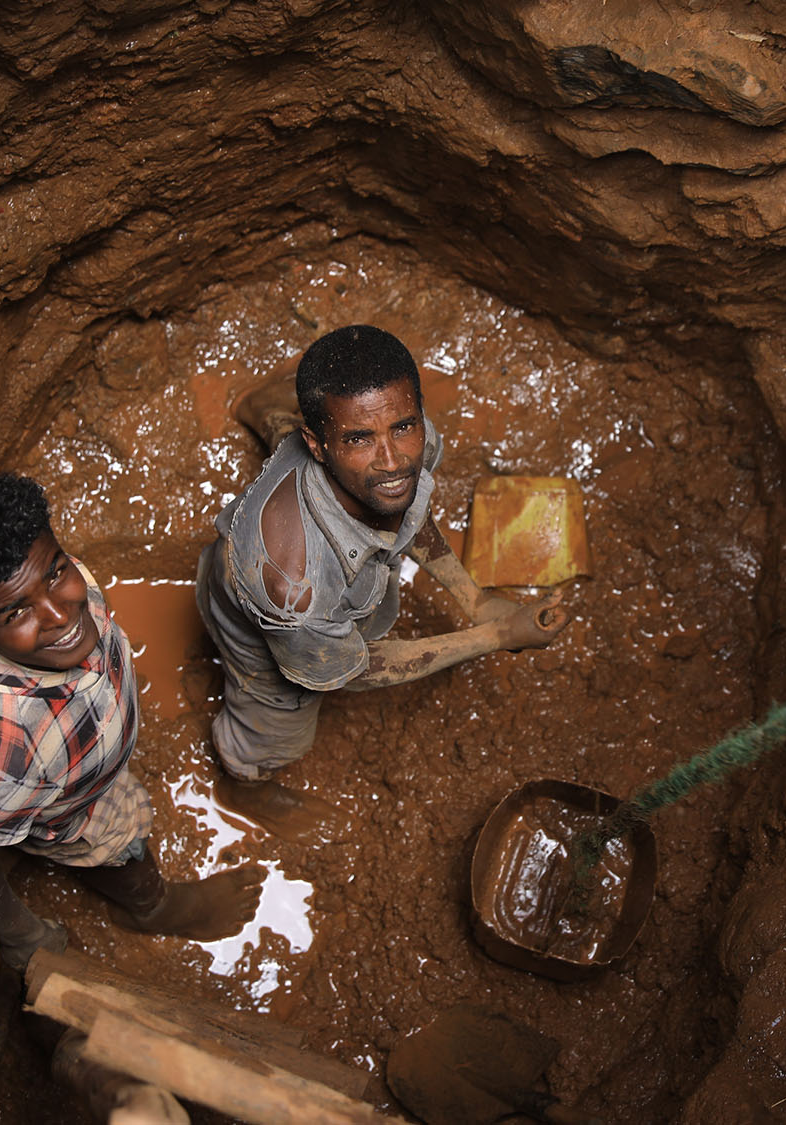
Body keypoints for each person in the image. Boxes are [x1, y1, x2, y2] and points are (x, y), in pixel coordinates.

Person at [198, 325, 568, 835]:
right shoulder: (293, 589)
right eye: (359, 439)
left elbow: (409, 509)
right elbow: (352, 671)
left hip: (314, 540)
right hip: (260, 623)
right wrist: (495, 636)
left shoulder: (406, 440)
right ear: (320, 445)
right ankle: (243, 784)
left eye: (403, 427)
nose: (393, 460)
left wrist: (475, 599)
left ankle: (266, 408)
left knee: (373, 477)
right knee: (277, 732)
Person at [0, 468, 264, 969]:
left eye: (55, 571)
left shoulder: (45, 592)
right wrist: (24, 934)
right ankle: (152, 907)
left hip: (70, 753)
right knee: (119, 845)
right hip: (72, 808)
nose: (60, 613)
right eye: (15, 613)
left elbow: (49, 597)